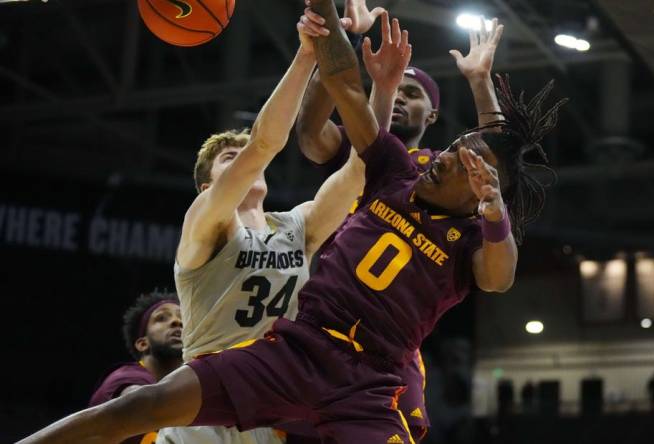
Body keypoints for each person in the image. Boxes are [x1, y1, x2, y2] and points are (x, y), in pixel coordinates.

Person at [18, 0, 565, 441]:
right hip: (293, 348)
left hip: (374, 376)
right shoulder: (394, 167)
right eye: (452, 148)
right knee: (139, 407)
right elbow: (319, 118)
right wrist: (333, 28)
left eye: (419, 96)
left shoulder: (474, 229)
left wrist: (479, 91)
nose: (447, 155)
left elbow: (500, 240)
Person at [158, 7, 410, 444]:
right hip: (204, 403)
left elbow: (359, 172)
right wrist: (306, 55)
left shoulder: (297, 225)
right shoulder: (206, 220)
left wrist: (383, 90)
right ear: (206, 186)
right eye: (227, 159)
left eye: (241, 156)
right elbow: (264, 143)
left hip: (271, 408)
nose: (243, 161)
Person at [296, 7, 505, 440]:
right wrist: (348, 38)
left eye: (414, 94)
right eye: (398, 88)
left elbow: (499, 157)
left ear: (431, 119)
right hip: (321, 311)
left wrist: (481, 83)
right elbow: (310, 135)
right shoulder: (364, 153)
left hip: (388, 341)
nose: (402, 98)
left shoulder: (437, 173)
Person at [88, 292, 183, 444]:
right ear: (142, 343)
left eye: (183, 318)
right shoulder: (127, 376)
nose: (177, 321)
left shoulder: (182, 389)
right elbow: (138, 400)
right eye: (161, 318)